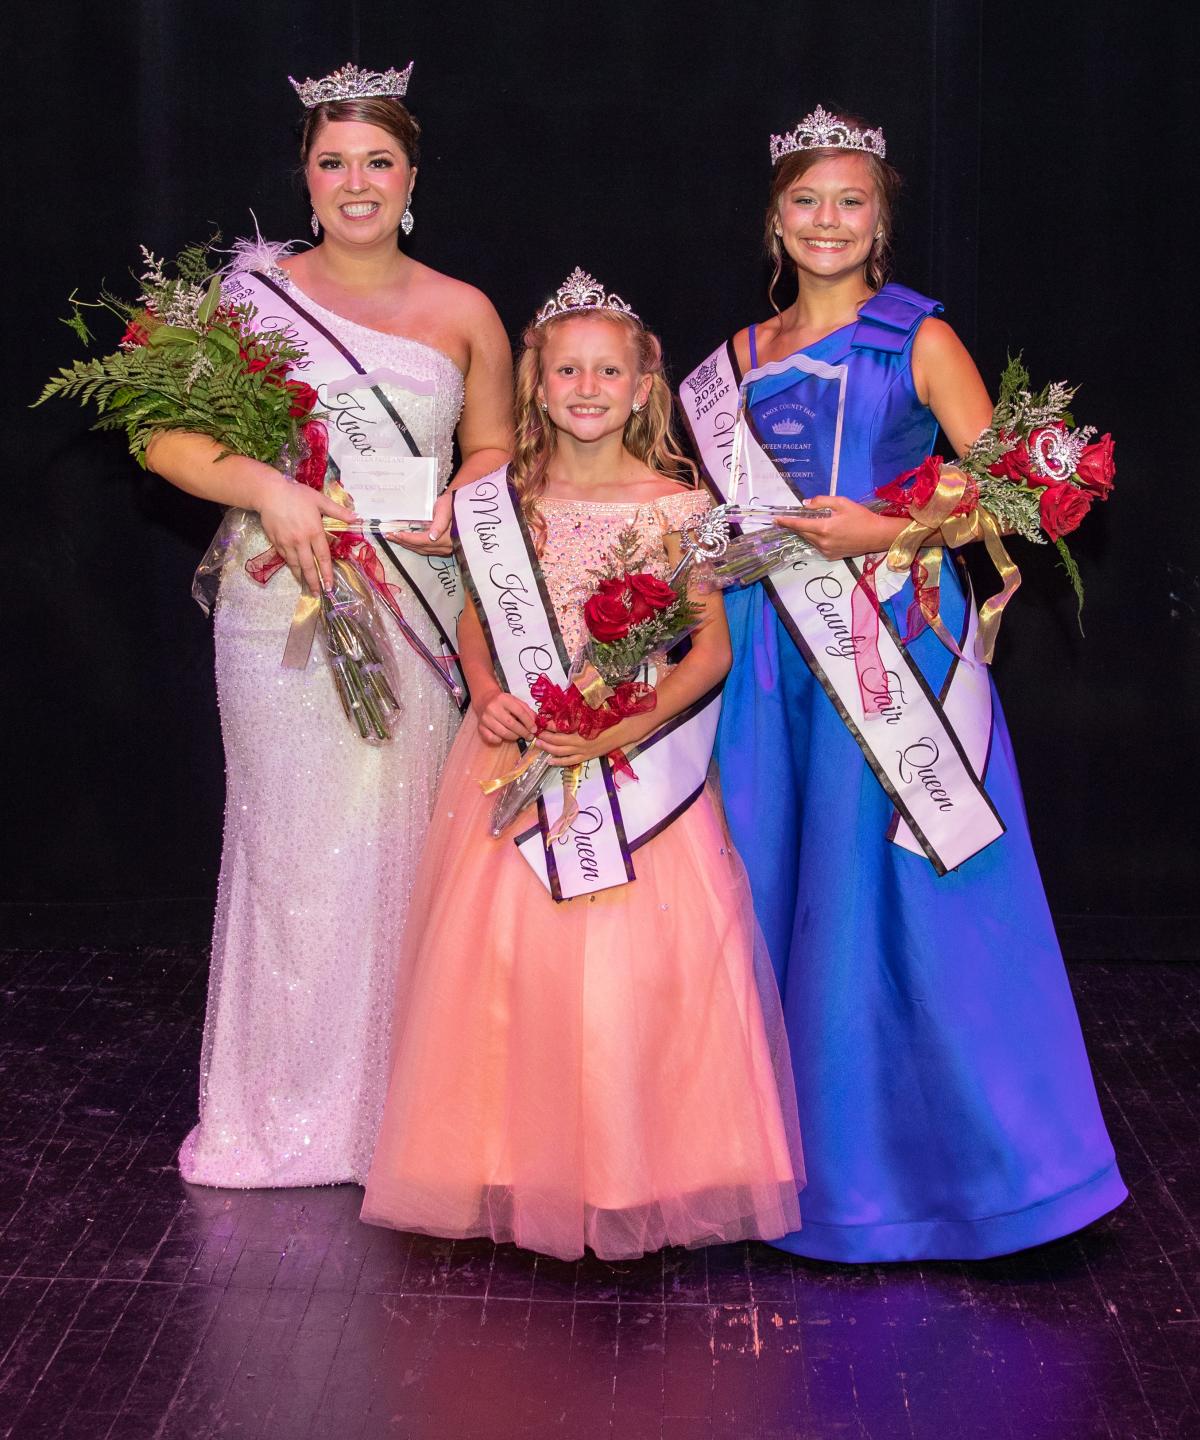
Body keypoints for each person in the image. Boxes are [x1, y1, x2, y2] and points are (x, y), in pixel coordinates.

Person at [680, 106, 1125, 1261]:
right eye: (806, 202)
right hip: (762, 657)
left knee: (904, 903)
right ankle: (754, 1172)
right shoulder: (730, 362)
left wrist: (887, 523)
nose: (828, 221)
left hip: (883, 643)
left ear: (880, 220)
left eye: (851, 202)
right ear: (774, 219)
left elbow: (1007, 490)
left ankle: (945, 1180)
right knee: (762, 888)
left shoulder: (917, 337)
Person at [360, 270, 804, 1261]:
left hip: (639, 772)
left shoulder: (682, 507)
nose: (588, 387)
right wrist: (485, 689)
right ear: (537, 385)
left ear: (645, 386)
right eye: (567, 370)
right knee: (506, 970)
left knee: (639, 979)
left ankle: (644, 1167)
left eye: (609, 370)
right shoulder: (501, 499)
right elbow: (478, 618)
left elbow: (711, 655)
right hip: (518, 764)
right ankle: (507, 1158)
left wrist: (616, 731)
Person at [147, 62, 513, 1187]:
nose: (357, 183)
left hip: (417, 599)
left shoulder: (464, 311)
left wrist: (469, 498)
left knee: (407, 844)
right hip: (281, 602)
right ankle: (281, 1113)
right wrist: (270, 488)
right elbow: (159, 439)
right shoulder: (245, 301)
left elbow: (496, 445)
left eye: (378, 162)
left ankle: (399, 1120)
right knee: (295, 849)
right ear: (305, 180)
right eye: (333, 162)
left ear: (412, 177)